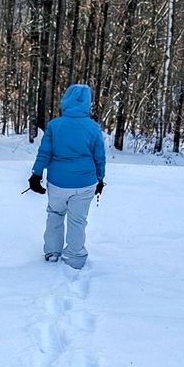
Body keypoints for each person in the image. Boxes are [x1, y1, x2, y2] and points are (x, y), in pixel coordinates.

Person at [27, 83, 106, 269]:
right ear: (88, 103)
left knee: (55, 214)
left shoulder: (55, 125)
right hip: (85, 183)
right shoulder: (93, 128)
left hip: (58, 182)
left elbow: (44, 153)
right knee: (77, 220)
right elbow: (99, 157)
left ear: (66, 100)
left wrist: (36, 175)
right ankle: (75, 257)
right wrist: (100, 179)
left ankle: (52, 252)